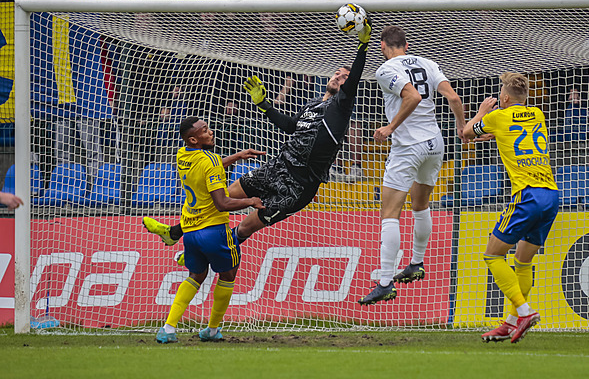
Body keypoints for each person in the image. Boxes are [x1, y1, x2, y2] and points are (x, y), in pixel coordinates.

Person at [144, 20, 373, 259]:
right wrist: (264, 105)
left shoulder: (340, 107)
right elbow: (290, 126)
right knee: (222, 196)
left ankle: (203, 254)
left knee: (245, 227)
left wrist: (362, 45)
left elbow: (354, 78)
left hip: (298, 186)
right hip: (277, 167)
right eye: (337, 73)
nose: (338, 77)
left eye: (344, 77)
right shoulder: (313, 104)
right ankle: (174, 232)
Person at [358, 25, 466, 305]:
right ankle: (416, 263)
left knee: (390, 213)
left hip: (408, 147)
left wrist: (390, 127)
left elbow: (412, 96)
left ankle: (384, 282)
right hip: (435, 144)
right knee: (420, 206)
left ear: (383, 46)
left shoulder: (385, 69)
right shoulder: (428, 64)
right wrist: (461, 127)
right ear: (406, 45)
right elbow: (453, 98)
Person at [462, 72, 559, 343]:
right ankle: (511, 321)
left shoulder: (496, 117)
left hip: (527, 194)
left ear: (503, 98)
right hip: (551, 195)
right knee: (522, 261)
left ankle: (525, 312)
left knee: (493, 255)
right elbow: (508, 135)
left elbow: (466, 133)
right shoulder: (537, 114)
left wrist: (481, 112)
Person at [156, 116, 264, 344]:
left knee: (196, 275)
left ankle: (168, 328)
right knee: (227, 274)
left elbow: (208, 167)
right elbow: (222, 203)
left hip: (191, 232)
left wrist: (236, 156)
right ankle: (213, 329)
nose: (210, 132)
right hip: (215, 231)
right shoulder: (210, 160)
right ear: (194, 139)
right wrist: (251, 201)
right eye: (205, 130)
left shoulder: (182, 154)